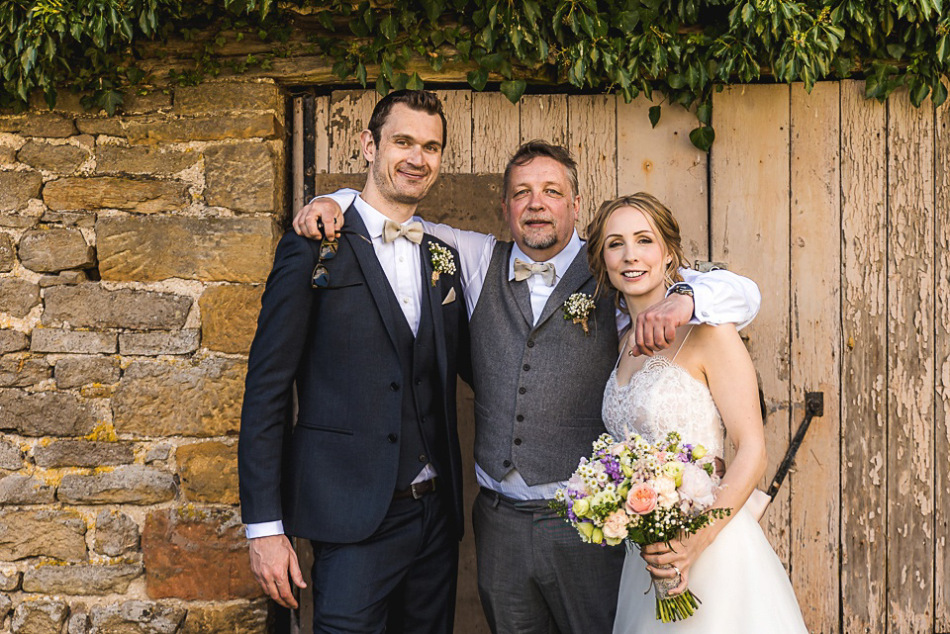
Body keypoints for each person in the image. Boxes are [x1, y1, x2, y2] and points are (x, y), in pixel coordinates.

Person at [297, 141, 761, 633]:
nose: (536, 203)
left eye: (551, 191)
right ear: (505, 207)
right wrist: (339, 199)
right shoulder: (476, 260)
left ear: (576, 206)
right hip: (500, 522)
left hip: (589, 529)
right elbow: (392, 219)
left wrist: (685, 299)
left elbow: (743, 294)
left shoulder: (614, 274)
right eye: (521, 193)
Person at [238, 90, 470, 633]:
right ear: (368, 144)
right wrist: (264, 529)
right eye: (404, 142)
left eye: (431, 147)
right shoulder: (312, 244)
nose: (417, 158)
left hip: (435, 520)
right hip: (350, 520)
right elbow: (268, 388)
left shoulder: (443, 257)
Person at [587, 193, 807, 633]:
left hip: (713, 550)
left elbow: (752, 450)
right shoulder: (620, 342)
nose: (630, 255)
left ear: (668, 253)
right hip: (647, 560)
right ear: (603, 260)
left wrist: (693, 543)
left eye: (644, 240)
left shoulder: (709, 334)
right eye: (615, 244)